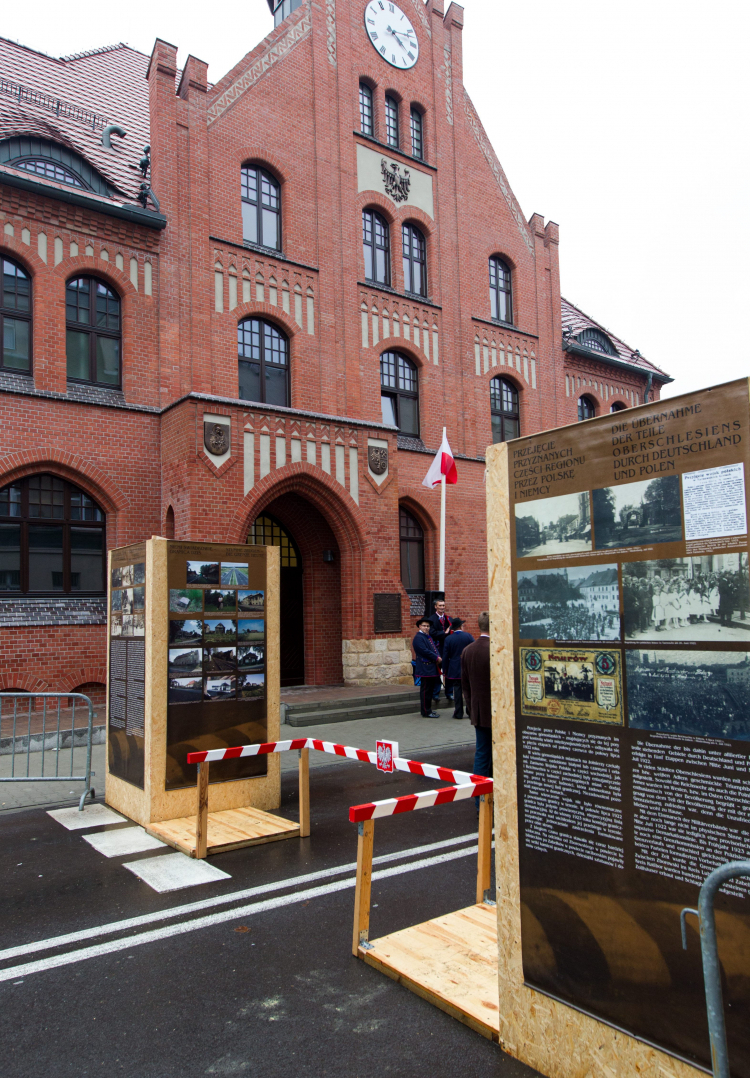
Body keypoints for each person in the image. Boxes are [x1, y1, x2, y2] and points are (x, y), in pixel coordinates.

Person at [461, 610, 492, 803]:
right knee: (490, 756)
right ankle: (487, 800)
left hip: (478, 710)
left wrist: (471, 708)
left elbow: (465, 685)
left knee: (482, 753)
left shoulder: (468, 650)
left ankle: (480, 800)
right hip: (496, 711)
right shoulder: (496, 649)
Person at [441, 617, 474, 719]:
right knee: (468, 690)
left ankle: (458, 712)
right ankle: (470, 711)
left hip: (454, 667)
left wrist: (444, 669)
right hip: (467, 667)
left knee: (457, 691)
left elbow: (445, 656)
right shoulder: (468, 636)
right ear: (460, 626)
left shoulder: (449, 639)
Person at [412, 617, 441, 718]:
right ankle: (425, 711)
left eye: (428, 626)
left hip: (431, 667)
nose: (426, 628)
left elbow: (433, 648)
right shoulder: (419, 638)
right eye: (424, 626)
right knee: (426, 691)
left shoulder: (427, 637)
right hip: (425, 667)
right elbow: (424, 651)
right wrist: (436, 657)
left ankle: (428, 709)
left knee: (429, 690)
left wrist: (438, 656)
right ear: (420, 626)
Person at [428, 599, 452, 704]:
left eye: (443, 605)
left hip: (447, 649)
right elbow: (432, 633)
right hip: (437, 649)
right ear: (435, 607)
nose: (442, 607)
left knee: (448, 671)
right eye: (440, 605)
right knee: (437, 672)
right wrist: (444, 632)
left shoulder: (448, 619)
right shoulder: (432, 619)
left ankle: (449, 693)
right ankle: (436, 693)